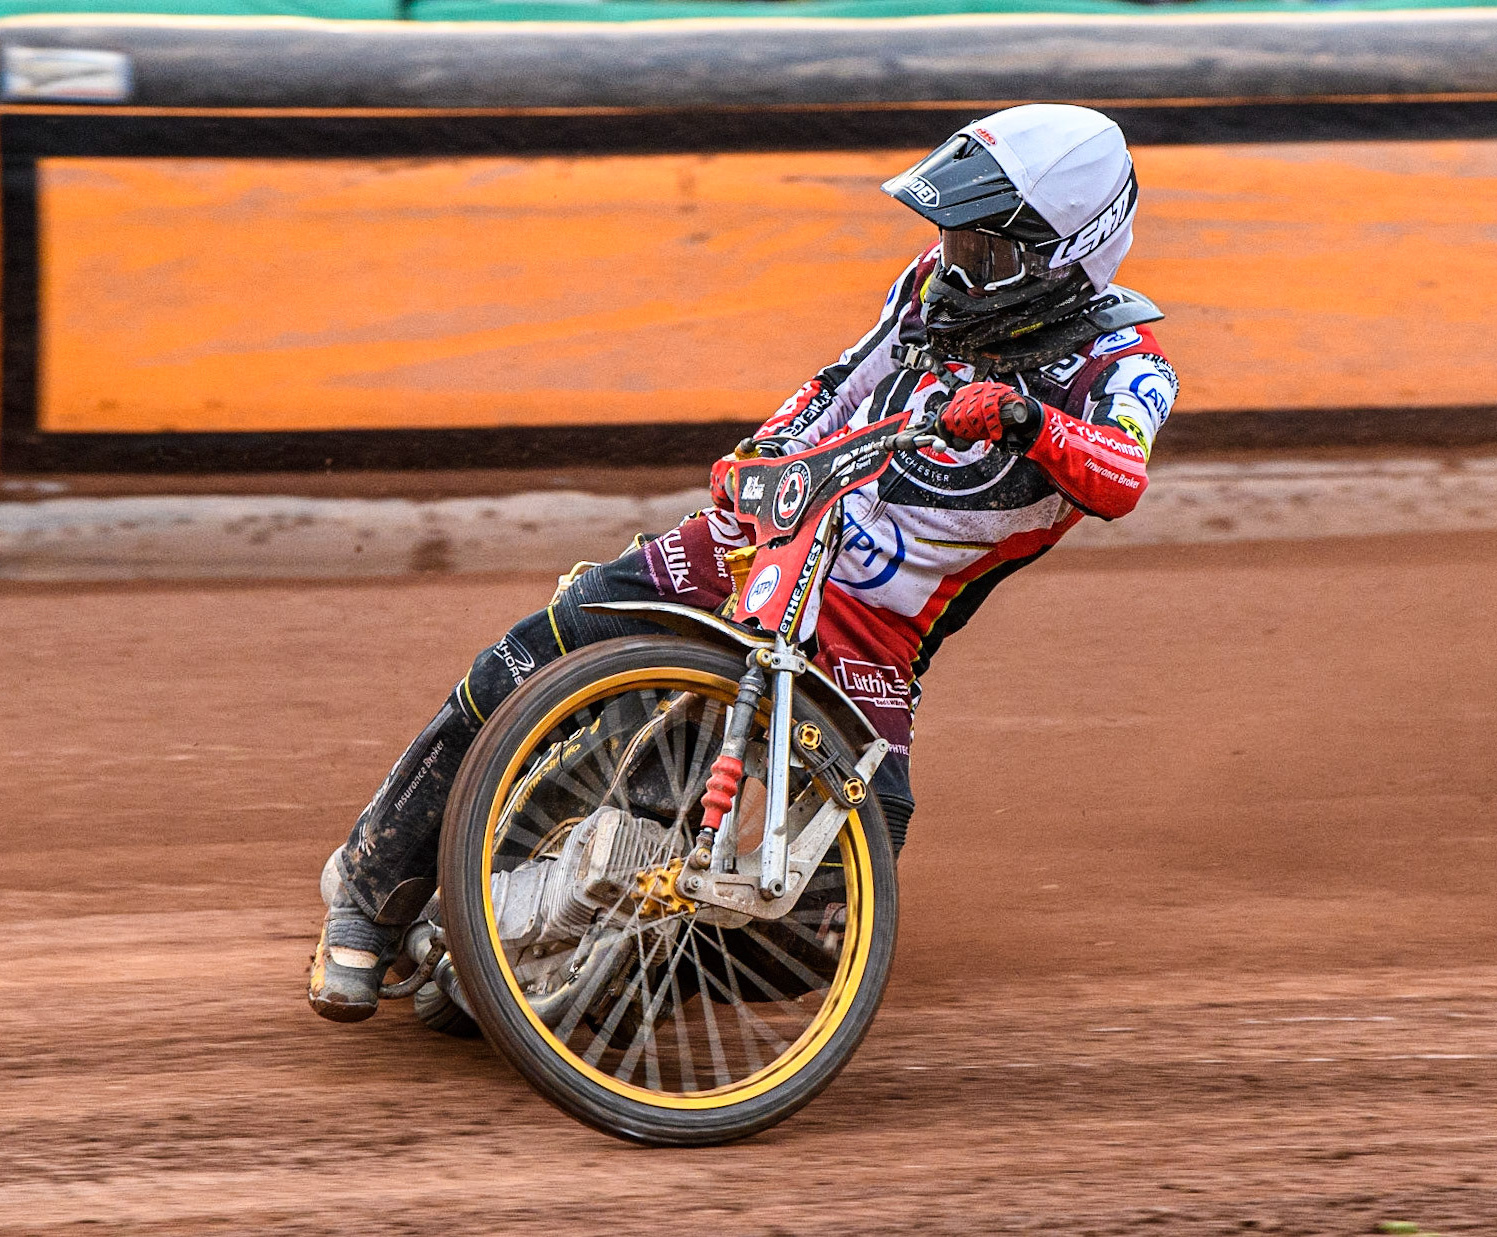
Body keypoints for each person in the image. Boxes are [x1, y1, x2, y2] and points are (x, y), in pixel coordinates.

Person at [308, 103, 1180, 1022]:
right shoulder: (930, 284)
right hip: (774, 537)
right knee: (541, 646)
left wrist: (1024, 418)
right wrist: (765, 454)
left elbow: (1121, 475)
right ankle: (369, 894)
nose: (957, 261)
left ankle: (606, 984)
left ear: (1068, 251)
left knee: (847, 895)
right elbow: (840, 382)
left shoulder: (1127, 363)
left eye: (986, 250)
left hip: (873, 628)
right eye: (953, 235)